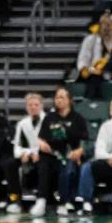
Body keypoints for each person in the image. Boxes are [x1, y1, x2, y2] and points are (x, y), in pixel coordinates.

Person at [39, 86, 90, 214]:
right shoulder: (49, 117)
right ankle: (41, 200)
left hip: (70, 155)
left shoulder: (78, 118)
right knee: (42, 163)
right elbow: (41, 138)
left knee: (68, 168)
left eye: (62, 97)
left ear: (69, 100)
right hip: (52, 154)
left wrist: (79, 151)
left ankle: (64, 201)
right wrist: (42, 145)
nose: (58, 100)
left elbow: (85, 140)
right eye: (56, 97)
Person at [81, 96, 112, 213]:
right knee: (88, 167)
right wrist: (111, 158)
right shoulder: (105, 127)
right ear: (110, 112)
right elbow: (99, 151)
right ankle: (87, 202)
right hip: (109, 163)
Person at [2, 92, 47, 214]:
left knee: (44, 164)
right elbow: (17, 146)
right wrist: (23, 154)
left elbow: (49, 144)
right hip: (27, 155)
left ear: (41, 105)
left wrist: (34, 152)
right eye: (30, 105)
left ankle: (41, 201)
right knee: (10, 164)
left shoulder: (48, 121)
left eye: (36, 104)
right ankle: (15, 199)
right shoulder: (22, 123)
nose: (33, 107)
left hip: (43, 155)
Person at [76, 11, 112, 99]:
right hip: (97, 75)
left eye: (109, 25)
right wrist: (86, 70)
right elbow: (83, 59)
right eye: (104, 25)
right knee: (95, 76)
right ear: (99, 26)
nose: (107, 28)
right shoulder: (90, 40)